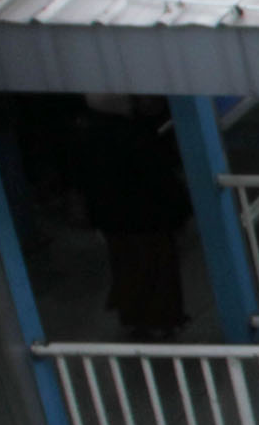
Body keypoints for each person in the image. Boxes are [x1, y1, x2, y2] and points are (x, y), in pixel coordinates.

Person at [76, 95, 191, 340]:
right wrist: (181, 209)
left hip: (115, 221)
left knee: (129, 270)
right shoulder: (133, 135)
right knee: (156, 271)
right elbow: (158, 177)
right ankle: (161, 321)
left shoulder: (89, 134)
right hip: (147, 219)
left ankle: (135, 317)